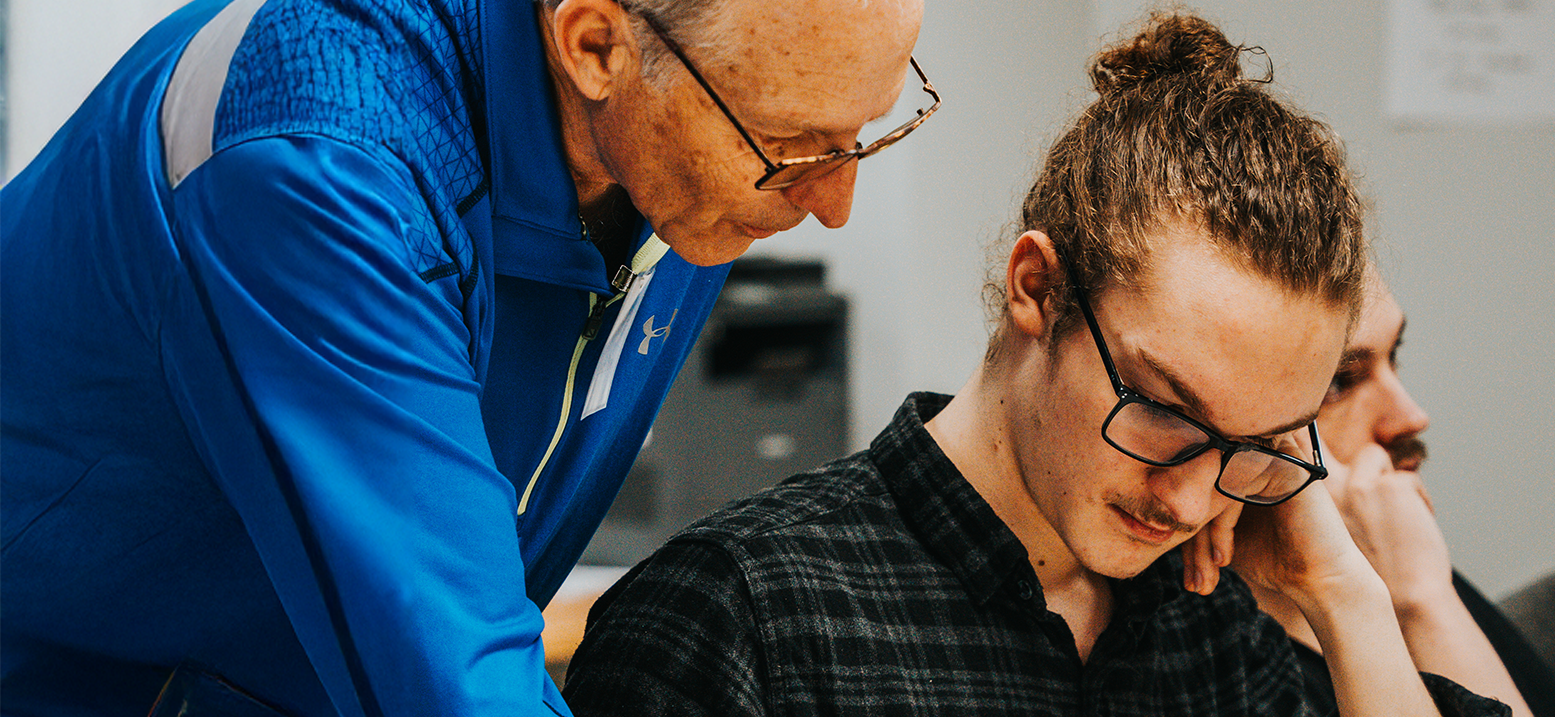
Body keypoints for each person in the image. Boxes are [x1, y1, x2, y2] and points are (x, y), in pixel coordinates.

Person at [559, 13, 1510, 717]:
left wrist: (1344, 595)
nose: (1187, 501)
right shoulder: (737, 616)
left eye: (1253, 446)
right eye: (1167, 411)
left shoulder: (1211, 621)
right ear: (1037, 288)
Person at [0, 0, 931, 712]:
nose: (832, 199)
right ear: (594, 44)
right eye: (789, 144)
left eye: (863, 135)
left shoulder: (676, 151)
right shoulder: (323, 160)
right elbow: (454, 684)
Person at [1232, 276, 1555, 716]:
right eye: (1340, 382)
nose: (1411, 416)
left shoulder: (1395, 554)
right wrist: (1422, 601)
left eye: (1395, 355)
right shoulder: (1216, 663)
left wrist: (1421, 593)